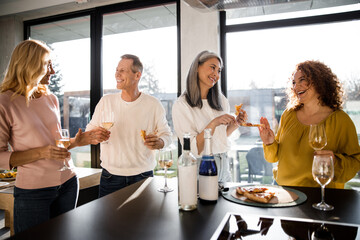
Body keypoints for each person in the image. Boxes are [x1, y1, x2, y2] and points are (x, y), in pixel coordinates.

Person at [0, 39, 108, 233]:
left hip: (68, 183)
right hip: (34, 192)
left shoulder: (50, 98)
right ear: (29, 65)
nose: (52, 71)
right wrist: (41, 153)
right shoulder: (5, 102)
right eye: (47, 64)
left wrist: (78, 141)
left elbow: (56, 146)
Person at [259, 60, 360, 188]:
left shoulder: (340, 120)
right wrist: (269, 142)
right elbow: (274, 157)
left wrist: (335, 161)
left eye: (302, 80)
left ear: (319, 81)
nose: (296, 87)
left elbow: (355, 162)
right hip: (285, 191)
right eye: (294, 82)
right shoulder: (288, 115)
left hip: (322, 194)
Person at [86, 54, 172, 197]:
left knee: (143, 219)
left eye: (122, 71)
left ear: (137, 75)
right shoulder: (106, 101)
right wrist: (96, 135)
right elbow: (90, 132)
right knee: (109, 220)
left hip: (143, 177)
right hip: (110, 178)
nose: (117, 74)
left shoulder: (153, 104)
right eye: (116, 70)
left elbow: (167, 134)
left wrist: (160, 142)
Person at [172, 50, 247, 183]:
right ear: (197, 68)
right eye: (212, 67)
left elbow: (220, 136)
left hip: (224, 164)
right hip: (202, 166)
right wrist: (213, 123)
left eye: (219, 71)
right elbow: (193, 149)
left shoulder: (221, 100)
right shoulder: (182, 105)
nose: (216, 74)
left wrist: (236, 124)